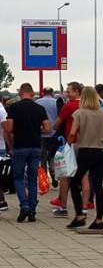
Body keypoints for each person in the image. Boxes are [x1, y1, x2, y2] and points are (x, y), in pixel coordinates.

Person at [66, 86, 103, 230]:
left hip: (85, 152)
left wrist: (67, 146)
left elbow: (73, 133)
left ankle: (79, 215)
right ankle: (99, 220)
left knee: (74, 183)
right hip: (99, 152)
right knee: (98, 186)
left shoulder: (79, 113)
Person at [4, 83, 51, 222]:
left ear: (20, 93)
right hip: (35, 146)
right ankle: (32, 210)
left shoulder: (13, 108)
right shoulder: (39, 108)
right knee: (32, 178)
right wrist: (37, 130)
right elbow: (47, 128)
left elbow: (9, 128)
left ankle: (24, 205)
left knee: (18, 178)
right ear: (32, 94)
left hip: (19, 146)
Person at [52, 82, 90, 217]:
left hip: (72, 143)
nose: (66, 94)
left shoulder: (69, 106)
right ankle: (84, 208)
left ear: (77, 92)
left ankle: (63, 207)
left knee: (65, 175)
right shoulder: (88, 106)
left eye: (69, 91)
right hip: (87, 143)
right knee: (85, 176)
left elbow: (57, 124)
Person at [36, 87, 60, 188]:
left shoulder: (37, 102)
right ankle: (53, 174)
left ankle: (44, 179)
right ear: (52, 93)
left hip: (41, 133)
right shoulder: (56, 103)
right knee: (52, 156)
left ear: (43, 92)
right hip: (53, 133)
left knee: (42, 157)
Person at [0, 100, 8, 211]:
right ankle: (2, 201)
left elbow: (7, 129)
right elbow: (6, 130)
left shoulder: (1, 110)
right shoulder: (2, 111)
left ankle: (2, 201)